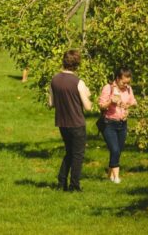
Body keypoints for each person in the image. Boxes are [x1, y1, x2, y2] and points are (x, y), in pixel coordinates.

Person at [48, 49, 92, 192]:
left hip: (62, 123)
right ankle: (74, 185)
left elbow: (51, 104)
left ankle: (61, 183)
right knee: (78, 155)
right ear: (77, 64)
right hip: (77, 123)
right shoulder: (78, 82)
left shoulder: (54, 80)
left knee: (69, 152)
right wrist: (87, 94)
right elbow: (88, 107)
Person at [98, 69, 137, 184]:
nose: (126, 85)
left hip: (122, 124)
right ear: (117, 79)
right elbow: (101, 106)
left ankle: (109, 176)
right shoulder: (108, 88)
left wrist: (129, 105)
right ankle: (116, 178)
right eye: (123, 82)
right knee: (114, 149)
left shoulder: (129, 89)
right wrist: (111, 102)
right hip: (109, 123)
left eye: (127, 82)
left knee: (118, 150)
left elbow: (133, 101)